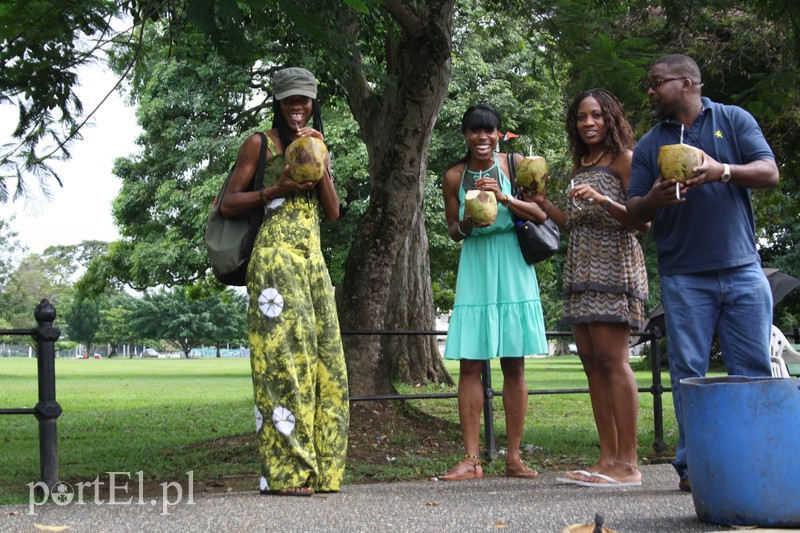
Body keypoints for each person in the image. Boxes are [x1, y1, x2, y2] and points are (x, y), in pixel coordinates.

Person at [626, 54, 780, 492]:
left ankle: (753, 459)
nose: (650, 91)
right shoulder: (651, 143)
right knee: (688, 374)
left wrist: (722, 171)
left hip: (743, 270)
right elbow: (634, 210)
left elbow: (769, 172)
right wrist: (654, 198)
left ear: (687, 83)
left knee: (752, 370)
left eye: (657, 83)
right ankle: (695, 468)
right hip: (684, 276)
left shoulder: (732, 119)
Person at [220, 67, 348, 497]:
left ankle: (323, 470)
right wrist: (274, 187)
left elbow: (332, 212)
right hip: (274, 263)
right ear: (277, 101)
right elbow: (228, 203)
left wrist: (321, 159)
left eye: (305, 100)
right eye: (290, 100)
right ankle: (288, 473)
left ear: (314, 103)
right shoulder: (261, 143)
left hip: (312, 263)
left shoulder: (316, 143)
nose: (298, 107)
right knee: (283, 366)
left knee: (327, 365)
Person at [530, 89, 649, 488]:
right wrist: (544, 204)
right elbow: (572, 223)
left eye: (596, 115)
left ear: (611, 118)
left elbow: (641, 222)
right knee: (591, 364)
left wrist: (601, 198)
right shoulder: (580, 164)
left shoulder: (625, 159)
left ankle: (629, 465)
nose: (588, 123)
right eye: (582, 117)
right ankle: (607, 458)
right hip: (581, 269)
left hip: (614, 268)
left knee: (614, 362)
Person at [439, 103, 549, 481]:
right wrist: (468, 220)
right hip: (477, 264)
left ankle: (514, 458)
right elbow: (453, 232)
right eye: (474, 131)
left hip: (513, 263)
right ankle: (471, 459)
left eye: (489, 131)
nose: (482, 137)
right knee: (470, 362)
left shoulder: (516, 165)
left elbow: (541, 214)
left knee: (514, 363)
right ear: (466, 135)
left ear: (499, 134)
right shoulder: (454, 176)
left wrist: (504, 199)